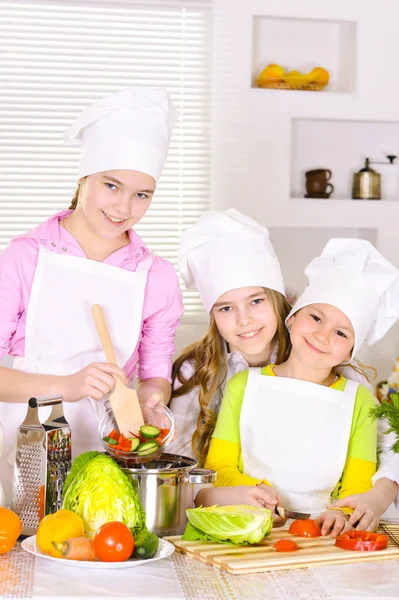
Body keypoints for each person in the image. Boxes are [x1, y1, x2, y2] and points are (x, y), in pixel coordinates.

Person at [0, 87, 184, 504]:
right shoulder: (25, 257)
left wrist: (152, 401)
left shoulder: (155, 276)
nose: (124, 207)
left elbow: (156, 374)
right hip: (19, 447)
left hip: (108, 457)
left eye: (142, 194)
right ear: (84, 177)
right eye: (111, 185)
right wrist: (70, 384)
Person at [204, 238, 399, 536]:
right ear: (292, 319)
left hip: (322, 535)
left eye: (341, 332)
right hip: (250, 524)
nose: (322, 335)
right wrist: (254, 493)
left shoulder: (360, 400)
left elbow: (358, 484)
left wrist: (341, 513)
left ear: (350, 352)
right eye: (316, 317)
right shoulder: (243, 385)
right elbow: (219, 466)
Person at [169, 209, 291, 514]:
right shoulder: (193, 373)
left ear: (278, 298)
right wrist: (216, 496)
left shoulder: (319, 359)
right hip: (225, 518)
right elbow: (176, 466)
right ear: (212, 315)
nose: (244, 319)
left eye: (256, 301)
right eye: (225, 308)